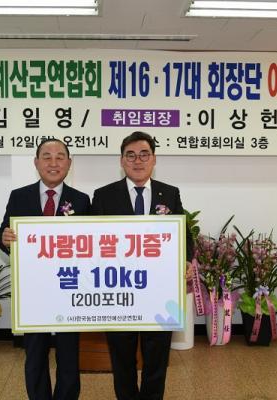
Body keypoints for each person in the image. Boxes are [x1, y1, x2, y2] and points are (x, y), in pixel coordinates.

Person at [91, 131, 193, 400]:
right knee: (121, 358)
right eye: (131, 155)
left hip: (159, 292)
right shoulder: (103, 196)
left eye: (144, 154)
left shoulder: (169, 193)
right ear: (121, 161)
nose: (138, 161)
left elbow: (184, 234)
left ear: (154, 159)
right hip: (118, 291)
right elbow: (90, 240)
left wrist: (186, 259)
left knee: (156, 358)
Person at [0, 138, 90, 400]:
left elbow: (91, 244)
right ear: (36, 163)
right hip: (33, 289)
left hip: (69, 288)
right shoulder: (19, 196)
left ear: (69, 164)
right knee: (35, 352)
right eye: (47, 157)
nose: (53, 162)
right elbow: (4, 232)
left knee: (69, 353)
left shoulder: (81, 200)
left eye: (60, 157)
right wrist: (4, 238)